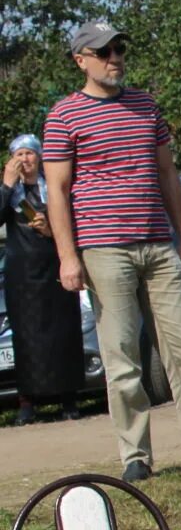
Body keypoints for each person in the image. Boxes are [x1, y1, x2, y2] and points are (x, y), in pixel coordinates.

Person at [41, 18, 181, 481]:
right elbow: (57, 192)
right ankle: (136, 458)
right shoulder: (64, 115)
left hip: (159, 246)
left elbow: (168, 177)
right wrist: (67, 256)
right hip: (104, 250)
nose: (115, 59)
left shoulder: (146, 106)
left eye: (119, 50)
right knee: (122, 359)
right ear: (80, 60)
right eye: (104, 52)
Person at [2, 134, 84, 423]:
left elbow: (73, 224)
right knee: (25, 339)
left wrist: (52, 230)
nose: (24, 160)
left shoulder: (53, 190)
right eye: (19, 154)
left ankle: (69, 399)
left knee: (63, 334)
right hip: (22, 277)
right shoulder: (10, 193)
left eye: (29, 153)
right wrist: (7, 183)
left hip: (55, 270)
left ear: (40, 157)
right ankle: (27, 402)